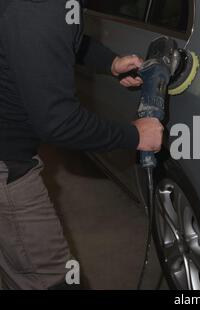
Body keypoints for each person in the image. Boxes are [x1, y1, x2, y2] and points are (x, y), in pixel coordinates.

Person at [0, 0, 163, 289]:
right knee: (50, 280)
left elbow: (57, 39)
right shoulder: (38, 9)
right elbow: (59, 123)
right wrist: (135, 135)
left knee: (20, 268)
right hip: (7, 167)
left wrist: (109, 63)